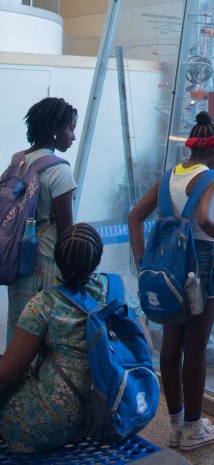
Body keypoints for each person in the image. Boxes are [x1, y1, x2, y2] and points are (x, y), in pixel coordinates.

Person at [128, 111, 214, 452]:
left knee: (171, 344)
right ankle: (194, 430)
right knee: (195, 348)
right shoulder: (210, 178)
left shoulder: (169, 176)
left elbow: (134, 216)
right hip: (201, 265)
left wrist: (143, 260)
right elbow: (205, 218)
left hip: (165, 265)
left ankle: (176, 424)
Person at [0, 223, 143, 453]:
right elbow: (141, 343)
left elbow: (6, 376)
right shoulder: (116, 290)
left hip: (54, 421)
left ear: (57, 258)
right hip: (112, 411)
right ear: (98, 257)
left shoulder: (45, 304)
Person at [7, 97, 78, 342]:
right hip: (46, 257)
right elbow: (67, 232)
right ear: (55, 130)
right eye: (71, 129)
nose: (73, 136)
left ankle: (13, 376)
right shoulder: (59, 170)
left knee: (20, 328)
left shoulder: (16, 162)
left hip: (18, 256)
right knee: (44, 334)